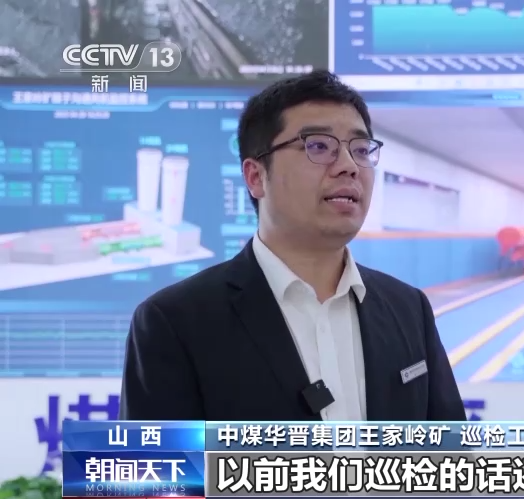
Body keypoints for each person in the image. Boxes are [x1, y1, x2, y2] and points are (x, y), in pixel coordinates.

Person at [120, 70, 466, 421]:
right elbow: (160, 456)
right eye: (319, 146)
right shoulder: (175, 321)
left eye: (361, 150)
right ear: (256, 177)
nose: (349, 166)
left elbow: (449, 450)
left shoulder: (408, 309)